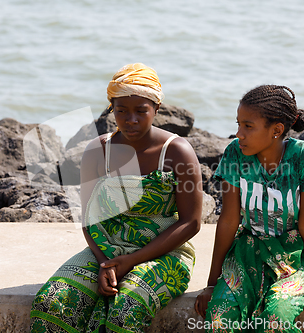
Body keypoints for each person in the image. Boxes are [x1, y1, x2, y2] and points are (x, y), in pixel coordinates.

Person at [30, 63, 203, 333]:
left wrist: (130, 262)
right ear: (112, 109)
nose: (130, 119)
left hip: (165, 252)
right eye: (121, 111)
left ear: (156, 109)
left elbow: (191, 223)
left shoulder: (177, 151)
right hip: (108, 247)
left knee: (126, 308)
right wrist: (104, 263)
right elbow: (89, 218)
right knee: (52, 302)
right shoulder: (98, 150)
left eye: (140, 111)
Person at [194, 85, 304, 332]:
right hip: (246, 254)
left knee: (275, 322)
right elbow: (229, 221)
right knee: (218, 321)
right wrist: (211, 284)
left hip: (292, 259)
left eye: (248, 126)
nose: (239, 134)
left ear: (277, 130)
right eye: (238, 124)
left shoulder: (303, 157)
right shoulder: (235, 155)